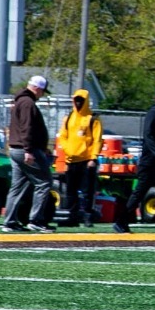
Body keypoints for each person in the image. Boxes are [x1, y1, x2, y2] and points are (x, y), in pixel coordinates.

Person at [116, 84, 155, 233]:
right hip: (150, 162)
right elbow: (148, 137)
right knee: (139, 193)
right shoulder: (153, 113)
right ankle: (120, 222)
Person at [2, 75, 56, 233]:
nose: (42, 95)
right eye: (42, 92)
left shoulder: (20, 101)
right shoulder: (28, 103)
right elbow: (27, 128)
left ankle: (9, 222)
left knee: (17, 187)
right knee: (44, 182)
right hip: (25, 150)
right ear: (37, 89)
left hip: (16, 149)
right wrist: (29, 150)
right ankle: (36, 220)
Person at [56, 88, 103, 227]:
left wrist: (93, 158)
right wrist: (68, 150)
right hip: (71, 160)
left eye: (81, 100)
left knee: (88, 191)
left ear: (86, 101)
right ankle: (72, 216)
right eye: (76, 100)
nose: (78, 103)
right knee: (71, 191)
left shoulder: (93, 119)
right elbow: (63, 136)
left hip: (87, 160)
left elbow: (97, 140)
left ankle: (88, 216)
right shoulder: (69, 117)